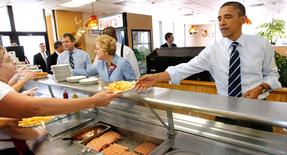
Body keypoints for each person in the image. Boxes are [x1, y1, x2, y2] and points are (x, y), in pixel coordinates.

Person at [136, 2, 281, 132]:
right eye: (219, 18)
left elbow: (273, 74)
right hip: (226, 111)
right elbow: (185, 68)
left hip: (257, 110)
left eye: (228, 17)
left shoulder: (261, 44)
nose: (222, 23)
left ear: (243, 19)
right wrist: (157, 77)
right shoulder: (212, 50)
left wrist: (260, 88)